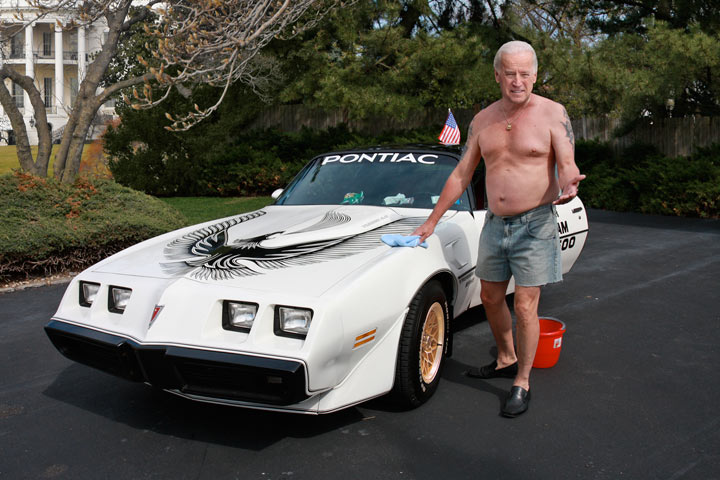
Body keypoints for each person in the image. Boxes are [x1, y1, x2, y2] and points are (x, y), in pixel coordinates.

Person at [413, 40, 585, 418]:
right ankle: (506, 356)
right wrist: (431, 221)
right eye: (510, 73)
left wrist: (570, 182)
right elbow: (461, 175)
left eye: (525, 73)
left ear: (535, 75)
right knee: (490, 298)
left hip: (536, 223)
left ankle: (522, 380)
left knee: (524, 305)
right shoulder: (482, 121)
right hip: (494, 223)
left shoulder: (554, 114)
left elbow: (568, 163)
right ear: (497, 75)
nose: (518, 80)